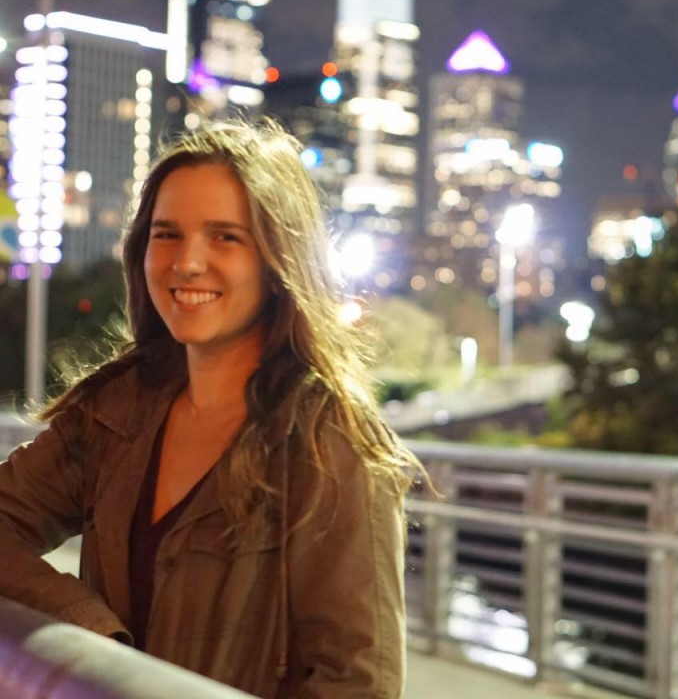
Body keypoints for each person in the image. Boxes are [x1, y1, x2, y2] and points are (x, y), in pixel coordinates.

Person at [0, 118, 421, 698]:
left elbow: (355, 683)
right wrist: (86, 629)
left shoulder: (330, 444)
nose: (187, 262)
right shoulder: (117, 410)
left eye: (225, 237)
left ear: (278, 260)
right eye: (167, 234)